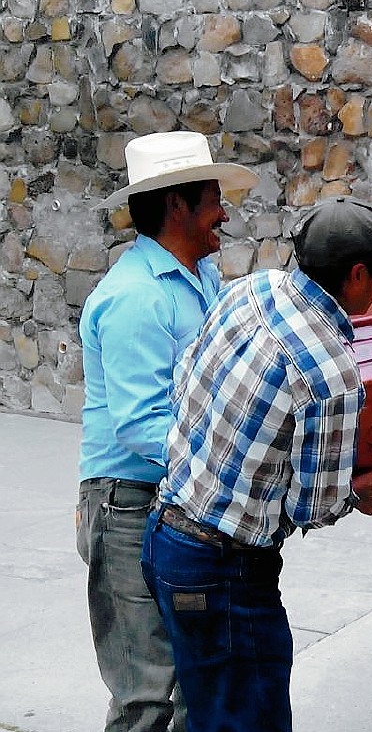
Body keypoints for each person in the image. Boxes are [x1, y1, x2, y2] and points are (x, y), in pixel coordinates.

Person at [140, 197, 372, 732]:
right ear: (357, 275)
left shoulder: (252, 287)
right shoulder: (332, 374)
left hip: (163, 538)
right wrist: (361, 493)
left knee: (208, 714)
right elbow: (313, 506)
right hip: (226, 573)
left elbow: (185, 383)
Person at [77, 131, 258, 732]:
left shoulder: (201, 281)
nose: (223, 213)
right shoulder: (136, 299)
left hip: (174, 500)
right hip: (129, 508)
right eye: (211, 198)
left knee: (190, 685)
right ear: (176, 205)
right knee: (147, 695)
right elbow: (140, 426)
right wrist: (226, 473)